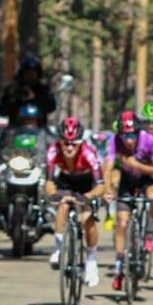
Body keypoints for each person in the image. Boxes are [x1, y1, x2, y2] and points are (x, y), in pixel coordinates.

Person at [103, 110, 153, 291]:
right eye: (124, 135)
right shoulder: (114, 141)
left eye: (132, 135)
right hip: (127, 181)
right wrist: (107, 190)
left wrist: (137, 165)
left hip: (147, 179)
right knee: (121, 223)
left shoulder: (148, 140)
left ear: (138, 132)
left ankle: (151, 231)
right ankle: (119, 265)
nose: (129, 140)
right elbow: (107, 168)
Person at [46, 117, 105, 287]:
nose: (69, 147)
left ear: (81, 142)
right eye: (66, 143)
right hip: (65, 181)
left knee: (87, 218)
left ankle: (91, 261)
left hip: (87, 183)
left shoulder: (88, 153)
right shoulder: (53, 150)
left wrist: (88, 197)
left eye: (74, 143)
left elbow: (101, 186)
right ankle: (58, 249)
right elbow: (49, 182)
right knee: (63, 205)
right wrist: (53, 195)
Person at [0, 53, 58, 121]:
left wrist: (35, 98)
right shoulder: (13, 89)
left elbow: (51, 107)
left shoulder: (43, 90)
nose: (30, 76)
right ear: (22, 73)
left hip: (39, 128)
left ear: (38, 74)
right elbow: (2, 111)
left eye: (33, 73)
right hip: (15, 128)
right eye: (28, 73)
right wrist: (16, 99)